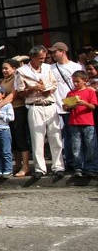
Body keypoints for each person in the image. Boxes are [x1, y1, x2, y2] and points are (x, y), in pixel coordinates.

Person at [15, 45, 64, 178]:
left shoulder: (49, 68)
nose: (43, 60)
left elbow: (54, 84)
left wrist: (47, 90)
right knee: (37, 138)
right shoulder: (22, 71)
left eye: (44, 58)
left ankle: (58, 166)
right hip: (34, 105)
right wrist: (32, 89)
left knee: (55, 137)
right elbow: (20, 93)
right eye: (40, 58)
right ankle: (39, 168)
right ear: (32, 57)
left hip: (50, 103)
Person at [49, 42, 83, 171]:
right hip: (56, 106)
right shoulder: (50, 68)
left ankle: (76, 162)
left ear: (62, 51)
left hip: (72, 106)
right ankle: (67, 161)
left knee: (74, 136)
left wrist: (72, 103)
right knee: (60, 137)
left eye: (55, 52)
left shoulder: (76, 67)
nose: (53, 55)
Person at [0, 59, 31, 176]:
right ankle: (17, 164)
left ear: (14, 68)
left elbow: (12, 95)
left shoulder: (17, 79)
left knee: (20, 137)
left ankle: (26, 166)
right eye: (3, 68)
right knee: (13, 139)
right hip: (8, 111)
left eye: (7, 68)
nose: (4, 70)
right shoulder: (4, 81)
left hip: (18, 110)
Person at [63, 70, 98, 177]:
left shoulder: (90, 92)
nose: (75, 84)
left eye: (78, 81)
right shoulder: (71, 93)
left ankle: (91, 167)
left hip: (88, 122)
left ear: (85, 81)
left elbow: (93, 106)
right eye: (74, 82)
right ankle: (78, 167)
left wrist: (84, 103)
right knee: (76, 146)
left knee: (90, 146)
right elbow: (65, 107)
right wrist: (68, 106)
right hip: (74, 122)